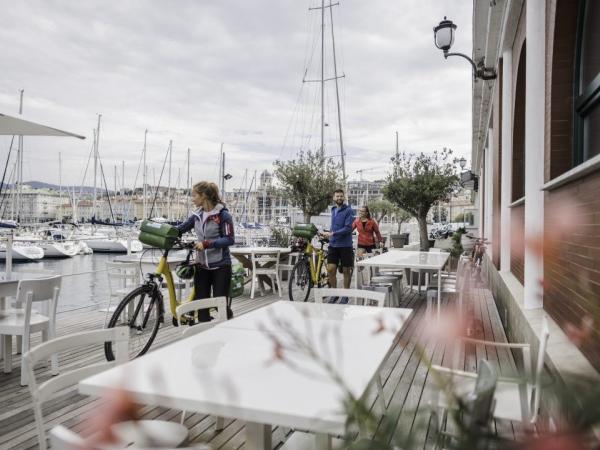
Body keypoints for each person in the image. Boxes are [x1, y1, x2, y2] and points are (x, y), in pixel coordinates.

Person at [177, 181, 234, 321]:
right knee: (202, 307)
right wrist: (160, 231)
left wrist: (207, 244)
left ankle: (227, 325)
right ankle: (204, 333)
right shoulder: (196, 215)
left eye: (194, 195)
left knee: (220, 305)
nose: (192, 198)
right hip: (202, 266)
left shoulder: (223, 215)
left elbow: (229, 239)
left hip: (221, 266)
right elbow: (180, 229)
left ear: (204, 196)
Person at [321, 189, 354, 293]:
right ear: (334, 198)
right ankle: (334, 293)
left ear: (344, 197)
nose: (339, 198)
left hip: (345, 245)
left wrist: (333, 233)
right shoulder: (333, 209)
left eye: (341, 196)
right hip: (333, 244)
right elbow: (334, 226)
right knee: (330, 269)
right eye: (337, 196)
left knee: (346, 271)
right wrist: (327, 234)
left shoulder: (348, 210)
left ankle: (345, 294)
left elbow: (348, 228)